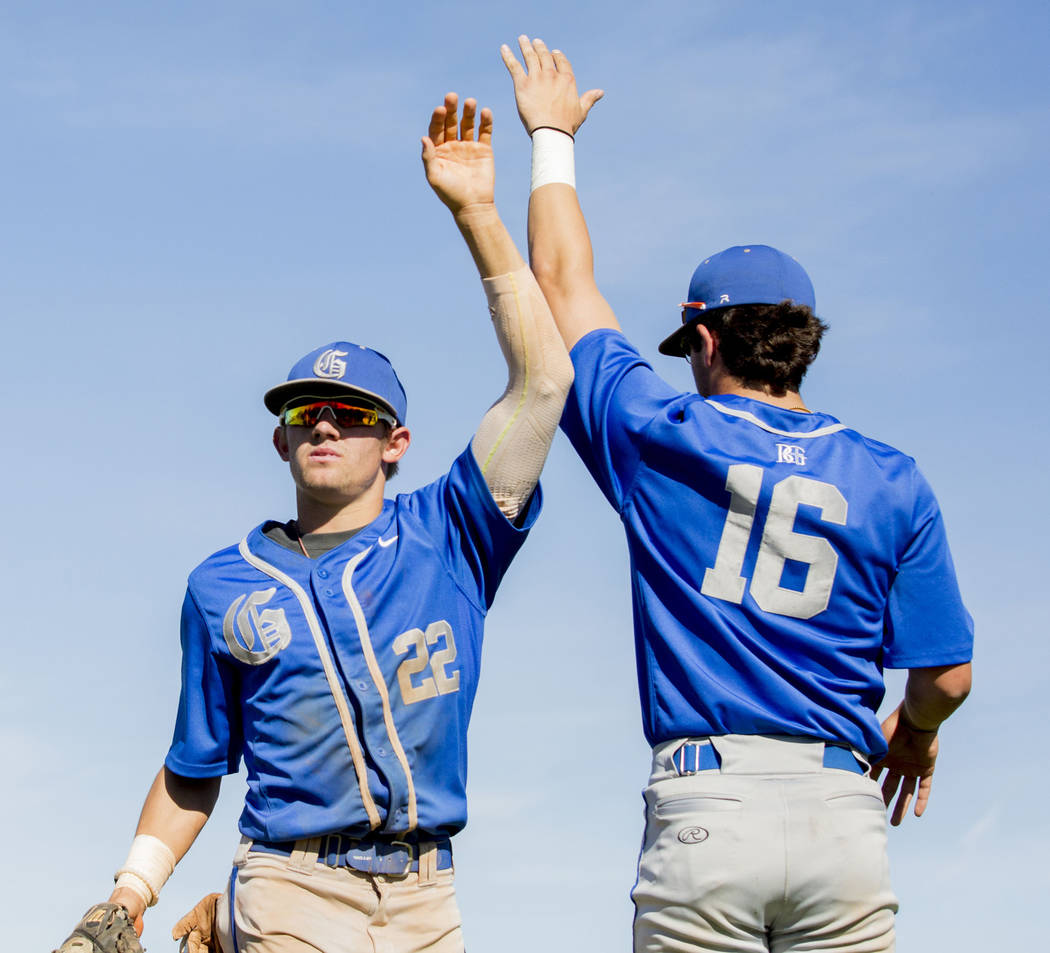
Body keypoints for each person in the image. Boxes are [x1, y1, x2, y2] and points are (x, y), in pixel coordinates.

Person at [501, 36, 974, 952]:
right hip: (843, 808)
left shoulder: (660, 433)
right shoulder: (890, 474)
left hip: (706, 803)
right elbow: (945, 677)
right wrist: (912, 735)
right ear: (804, 343)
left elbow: (562, 282)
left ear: (706, 342)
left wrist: (552, 134)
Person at [77, 92, 573, 953]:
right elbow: (196, 765)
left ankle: (223, 923)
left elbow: (542, 385)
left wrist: (481, 216)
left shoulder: (453, 531)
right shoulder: (221, 583)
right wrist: (129, 892)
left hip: (429, 892)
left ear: (397, 443)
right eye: (308, 410)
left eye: (353, 411)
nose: (328, 424)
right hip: (291, 878)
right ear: (280, 435)